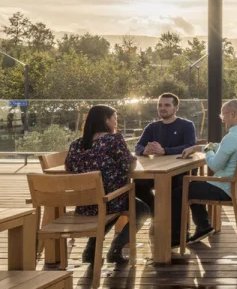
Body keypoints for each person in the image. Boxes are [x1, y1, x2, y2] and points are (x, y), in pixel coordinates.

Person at [65, 104, 151, 264]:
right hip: (109, 200)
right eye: (115, 119)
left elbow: (68, 168)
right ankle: (116, 249)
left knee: (106, 204)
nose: (116, 123)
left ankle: (90, 250)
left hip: (84, 203)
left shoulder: (76, 144)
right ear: (106, 120)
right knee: (143, 210)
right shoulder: (113, 140)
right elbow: (129, 165)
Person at [173, 99, 237, 245]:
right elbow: (225, 148)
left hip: (226, 189)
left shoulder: (232, 137)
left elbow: (215, 166)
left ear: (232, 114)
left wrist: (208, 150)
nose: (223, 120)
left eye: (223, 116)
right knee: (193, 185)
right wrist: (198, 147)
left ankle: (175, 238)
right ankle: (203, 225)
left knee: (180, 190)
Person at [134, 93, 197, 212]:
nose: (163, 108)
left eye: (167, 105)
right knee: (138, 183)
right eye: (160, 105)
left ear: (176, 107)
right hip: (156, 171)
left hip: (181, 172)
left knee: (176, 187)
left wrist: (164, 151)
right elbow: (138, 146)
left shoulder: (187, 125)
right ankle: (157, 214)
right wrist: (144, 151)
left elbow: (190, 145)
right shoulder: (152, 127)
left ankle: (173, 224)